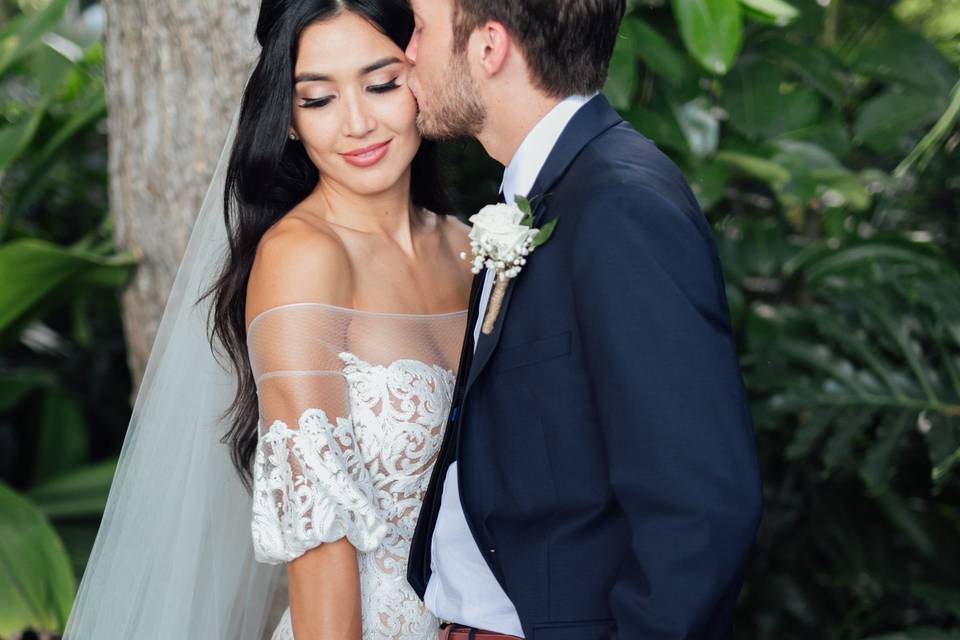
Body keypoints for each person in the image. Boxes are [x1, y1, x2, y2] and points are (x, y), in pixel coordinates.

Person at [64, 1, 471, 639]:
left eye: (381, 83)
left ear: (421, 75)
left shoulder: (473, 247)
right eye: (318, 100)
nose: (358, 123)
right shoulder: (302, 258)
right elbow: (319, 529)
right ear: (287, 119)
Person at [403, 1, 764, 639]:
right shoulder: (543, 193)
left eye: (421, 29)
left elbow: (699, 509)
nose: (407, 52)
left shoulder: (621, 207)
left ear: (490, 47)